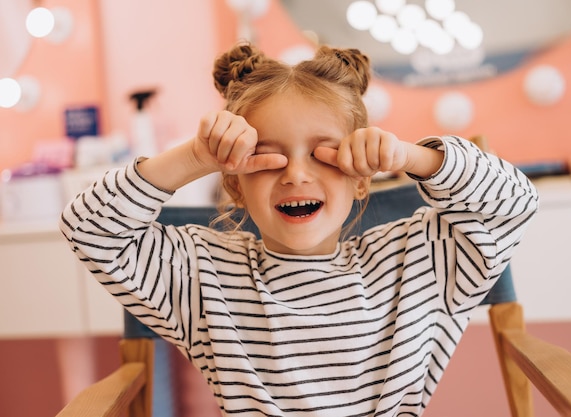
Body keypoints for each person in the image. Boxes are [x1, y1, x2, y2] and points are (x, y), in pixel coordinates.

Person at [60, 42, 539, 416]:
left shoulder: (416, 261)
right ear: (236, 184)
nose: (295, 174)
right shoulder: (205, 277)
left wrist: (414, 157)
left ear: (359, 180)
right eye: (269, 157)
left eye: (321, 153)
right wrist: (193, 158)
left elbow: (515, 203)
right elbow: (88, 227)